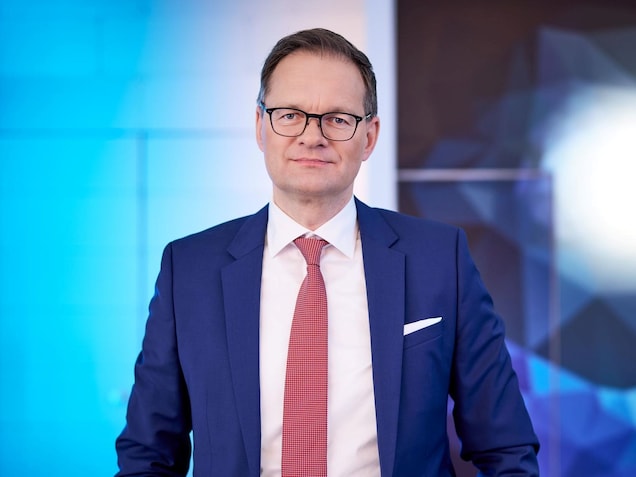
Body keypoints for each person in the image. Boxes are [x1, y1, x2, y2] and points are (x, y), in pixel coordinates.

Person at [115, 28, 539, 476]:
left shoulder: (439, 260)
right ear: (260, 126)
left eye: (337, 119)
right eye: (290, 115)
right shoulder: (189, 270)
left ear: (369, 136)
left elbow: (506, 447)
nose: (312, 136)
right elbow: (148, 454)